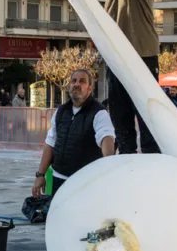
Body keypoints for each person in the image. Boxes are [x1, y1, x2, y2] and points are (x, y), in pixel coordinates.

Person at [56, 0, 160, 155]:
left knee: (147, 119)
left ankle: (154, 168)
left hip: (141, 56)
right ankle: (127, 163)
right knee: (120, 118)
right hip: (118, 58)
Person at [33, 69, 115, 198]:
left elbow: (106, 137)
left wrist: (109, 163)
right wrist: (40, 175)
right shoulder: (61, 111)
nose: (77, 84)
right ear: (69, 86)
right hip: (58, 180)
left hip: (85, 182)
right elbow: (51, 144)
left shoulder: (99, 113)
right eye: (74, 81)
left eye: (82, 81)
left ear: (89, 89)